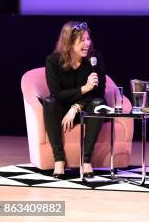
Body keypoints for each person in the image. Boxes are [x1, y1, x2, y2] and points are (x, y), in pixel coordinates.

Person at [43, 21, 107, 179]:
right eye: (82, 40)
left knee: (99, 104)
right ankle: (59, 159)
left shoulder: (95, 58)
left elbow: (99, 91)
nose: (88, 43)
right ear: (70, 43)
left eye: (88, 39)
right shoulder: (53, 61)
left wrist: (76, 107)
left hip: (85, 108)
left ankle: (86, 160)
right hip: (62, 110)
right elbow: (57, 94)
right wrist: (83, 89)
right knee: (49, 102)